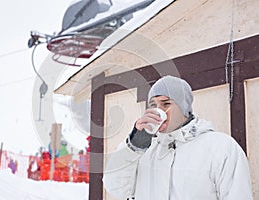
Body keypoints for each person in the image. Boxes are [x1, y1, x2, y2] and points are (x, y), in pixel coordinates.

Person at [103, 75, 253, 200]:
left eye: (166, 103)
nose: (158, 110)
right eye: (153, 105)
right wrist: (135, 145)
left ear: (184, 108)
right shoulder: (144, 150)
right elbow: (115, 187)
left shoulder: (220, 147)